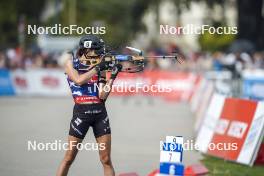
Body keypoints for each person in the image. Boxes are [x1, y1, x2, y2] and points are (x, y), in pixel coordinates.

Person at [56, 35, 122, 176]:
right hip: (81, 113)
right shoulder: (71, 63)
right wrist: (98, 67)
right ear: (86, 49)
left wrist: (113, 77)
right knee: (69, 158)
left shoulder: (100, 66)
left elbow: (102, 95)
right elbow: (79, 80)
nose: (99, 53)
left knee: (106, 159)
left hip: (100, 113)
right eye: (96, 50)